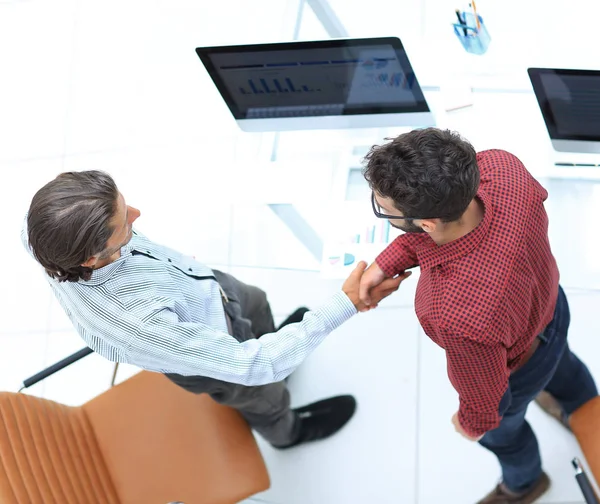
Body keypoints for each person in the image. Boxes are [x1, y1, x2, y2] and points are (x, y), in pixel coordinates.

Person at [23, 170, 410, 449]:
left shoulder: (40, 233)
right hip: (205, 348)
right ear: (91, 258)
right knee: (265, 393)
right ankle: (287, 433)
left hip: (203, 289)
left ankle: (280, 352)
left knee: (256, 302)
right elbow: (252, 365)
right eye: (125, 223)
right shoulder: (138, 322)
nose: (138, 215)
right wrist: (346, 303)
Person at [358, 128, 598, 503]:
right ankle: (581, 403)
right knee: (563, 364)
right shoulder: (504, 168)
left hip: (520, 367)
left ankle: (523, 485)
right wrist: (388, 261)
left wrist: (473, 425)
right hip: (552, 307)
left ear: (426, 224)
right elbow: (450, 216)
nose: (378, 205)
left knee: (505, 436)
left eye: (382, 207)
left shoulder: (450, 312)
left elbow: (484, 392)